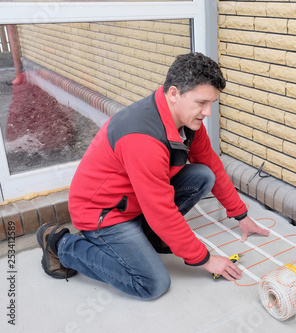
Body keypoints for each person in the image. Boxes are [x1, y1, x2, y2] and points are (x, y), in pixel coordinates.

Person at [36, 52, 269, 300]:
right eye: (202, 103)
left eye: (211, 103)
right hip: (103, 214)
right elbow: (161, 210)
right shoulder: (142, 139)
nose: (208, 112)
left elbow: (211, 163)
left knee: (203, 174)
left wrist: (240, 215)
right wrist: (206, 259)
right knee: (152, 284)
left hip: (135, 202)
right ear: (174, 93)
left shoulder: (187, 122)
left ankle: (150, 236)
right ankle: (60, 244)